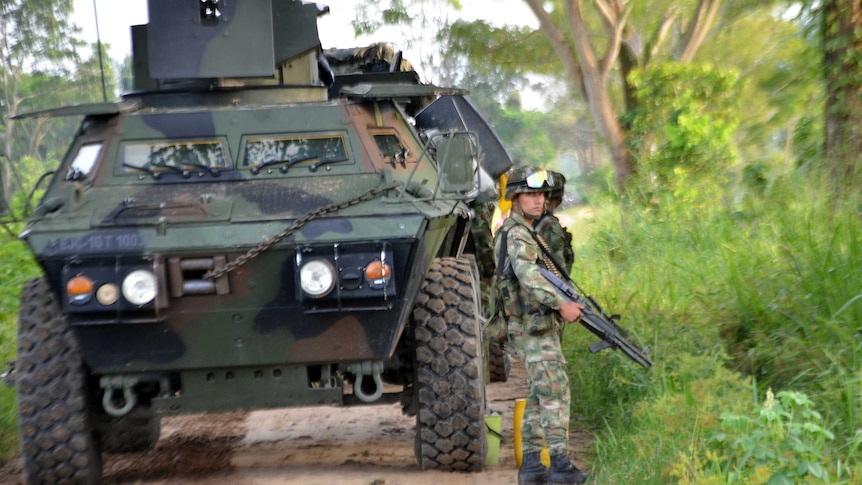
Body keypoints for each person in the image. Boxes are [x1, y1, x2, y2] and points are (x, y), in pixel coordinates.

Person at [493, 165, 588, 485]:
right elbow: (529, 277)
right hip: (533, 326)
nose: (538, 201)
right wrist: (562, 304)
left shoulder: (527, 230)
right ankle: (560, 464)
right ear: (515, 197)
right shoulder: (518, 233)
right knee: (555, 389)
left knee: (537, 394)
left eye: (542, 195)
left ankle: (533, 465)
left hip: (536, 325)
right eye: (531, 194)